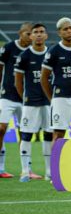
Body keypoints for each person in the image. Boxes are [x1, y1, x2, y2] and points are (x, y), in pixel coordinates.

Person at [13, 24, 49, 182]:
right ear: (31, 36)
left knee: (48, 135)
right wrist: (25, 98)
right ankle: (25, 171)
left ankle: (49, 171)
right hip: (30, 103)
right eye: (36, 32)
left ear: (46, 35)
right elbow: (18, 82)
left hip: (48, 102)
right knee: (26, 135)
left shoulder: (51, 54)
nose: (39, 35)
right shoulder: (24, 56)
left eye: (42, 32)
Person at [41, 18, 71, 142]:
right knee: (59, 134)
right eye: (65, 29)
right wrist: (52, 99)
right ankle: (55, 162)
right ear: (59, 33)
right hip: (61, 98)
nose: (69, 31)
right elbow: (44, 77)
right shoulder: (54, 51)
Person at [0, 22, 32, 178]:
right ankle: (0, 168)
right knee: (1, 129)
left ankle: (26, 169)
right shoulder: (9, 48)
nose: (30, 37)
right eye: (28, 33)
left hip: (25, 98)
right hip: (7, 96)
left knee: (25, 132)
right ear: (20, 33)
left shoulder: (33, 52)